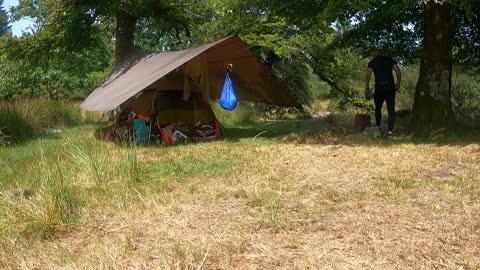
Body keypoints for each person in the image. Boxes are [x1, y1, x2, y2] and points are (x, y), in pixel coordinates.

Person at [365, 49, 401, 138]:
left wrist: (367, 86)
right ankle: (390, 132)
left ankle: (378, 128)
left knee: (378, 108)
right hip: (390, 86)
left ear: (375, 54)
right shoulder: (389, 60)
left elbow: (368, 74)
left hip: (379, 87)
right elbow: (398, 71)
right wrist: (398, 84)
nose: (372, 55)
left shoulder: (372, 62)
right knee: (391, 109)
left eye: (372, 53)